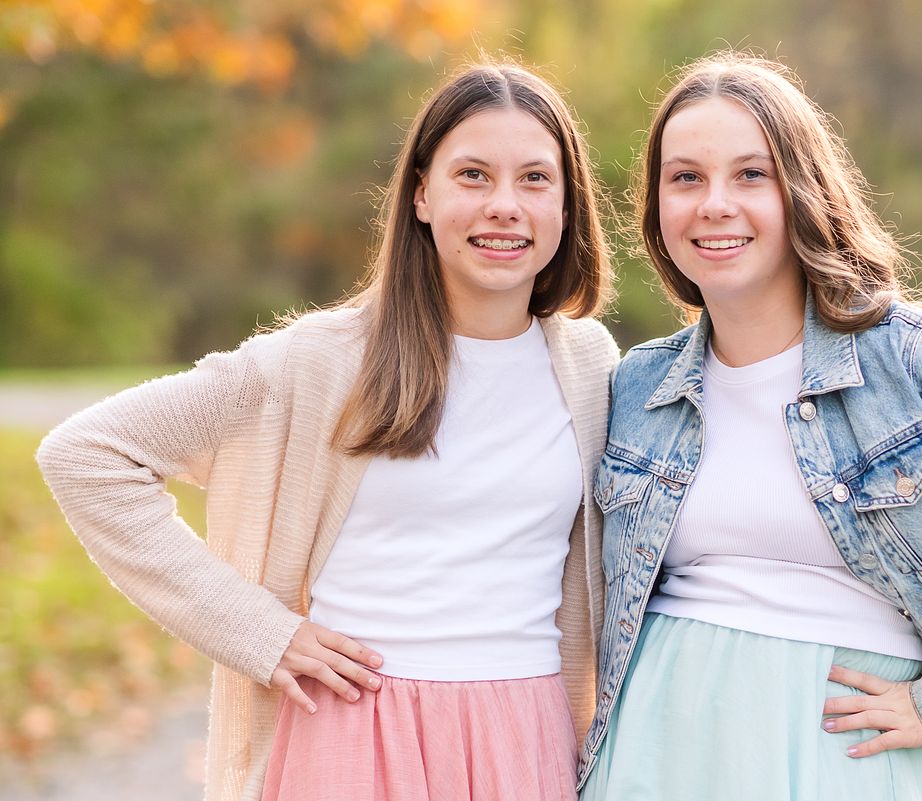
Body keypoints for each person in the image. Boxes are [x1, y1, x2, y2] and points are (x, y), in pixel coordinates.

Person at [37, 60, 619, 801]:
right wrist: (259, 630)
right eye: (473, 175)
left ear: (568, 206)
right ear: (420, 194)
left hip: (526, 738)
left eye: (535, 179)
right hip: (355, 737)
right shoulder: (320, 361)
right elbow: (87, 455)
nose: (504, 204)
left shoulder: (591, 368)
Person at [578, 52, 922, 800]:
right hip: (654, 745)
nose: (714, 203)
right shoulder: (638, 381)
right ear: (657, 207)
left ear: (801, 192)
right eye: (686, 177)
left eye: (751, 174)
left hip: (837, 755)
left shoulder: (902, 355)